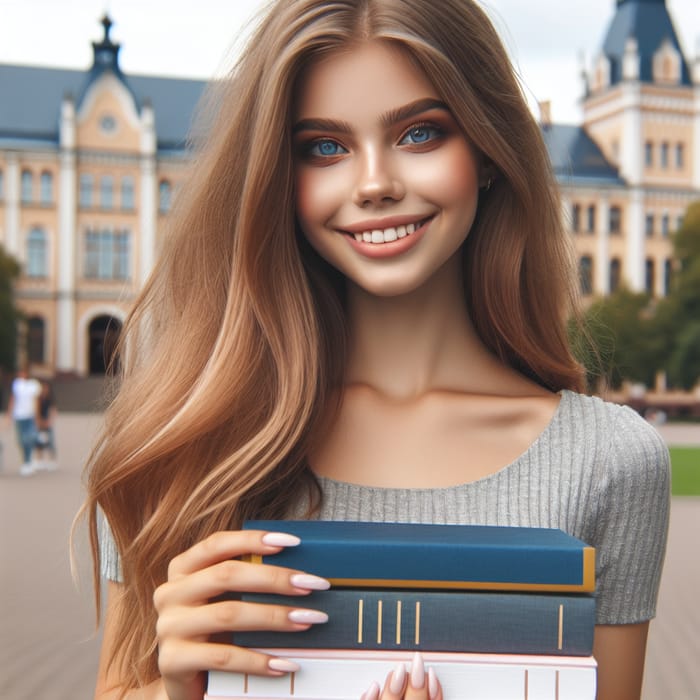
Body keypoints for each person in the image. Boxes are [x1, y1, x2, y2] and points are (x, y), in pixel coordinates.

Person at [81, 2, 670, 699]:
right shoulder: (180, 436)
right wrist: (176, 692)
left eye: (420, 133)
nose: (374, 184)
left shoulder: (609, 464)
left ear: (487, 150)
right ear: (277, 176)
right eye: (324, 147)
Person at [6, 365, 41, 476]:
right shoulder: (17, 384)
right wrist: (9, 414)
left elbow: (36, 401)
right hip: (19, 416)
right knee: (21, 440)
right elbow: (13, 399)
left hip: (30, 415)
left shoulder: (33, 385)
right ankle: (26, 461)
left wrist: (37, 416)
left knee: (29, 438)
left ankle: (28, 461)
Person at [34, 379, 58, 469]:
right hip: (40, 422)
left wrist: (49, 421)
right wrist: (38, 421)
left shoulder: (50, 399)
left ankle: (52, 460)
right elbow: (36, 410)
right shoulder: (38, 398)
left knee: (50, 442)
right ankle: (39, 460)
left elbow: (53, 411)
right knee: (39, 442)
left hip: (48, 423)